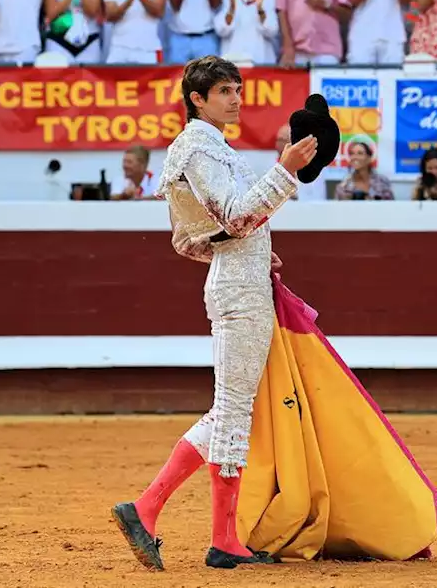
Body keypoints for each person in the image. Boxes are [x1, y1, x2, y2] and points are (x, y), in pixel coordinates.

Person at [113, 55, 317, 571]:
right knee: (231, 411)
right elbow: (237, 214)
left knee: (232, 410)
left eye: (238, 89)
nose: (235, 99)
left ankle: (194, 526)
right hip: (239, 294)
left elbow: (194, 239)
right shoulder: (200, 149)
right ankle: (168, 516)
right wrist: (285, 171)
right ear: (197, 99)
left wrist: (250, 250)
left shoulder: (210, 148)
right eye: (225, 91)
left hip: (241, 281)